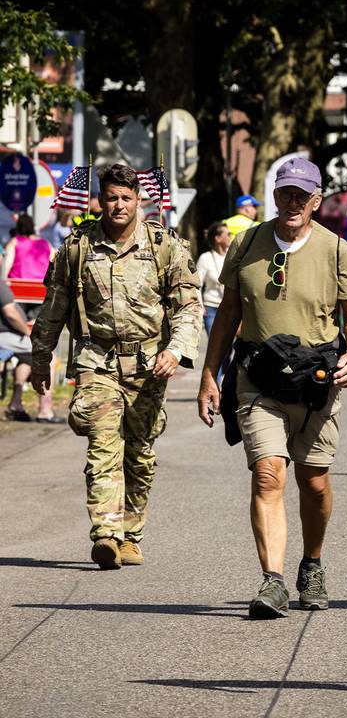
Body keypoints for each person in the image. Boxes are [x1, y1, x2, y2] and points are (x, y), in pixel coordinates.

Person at [196, 156, 347, 619]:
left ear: (316, 200)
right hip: (258, 379)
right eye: (284, 193)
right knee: (268, 472)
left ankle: (311, 564)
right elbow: (228, 315)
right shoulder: (246, 243)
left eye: (302, 196)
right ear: (274, 196)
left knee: (313, 481)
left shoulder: (336, 250)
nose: (292, 203)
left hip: (317, 383)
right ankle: (272, 581)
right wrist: (210, 375)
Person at [28, 163, 202, 569]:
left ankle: (131, 532)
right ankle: (106, 532)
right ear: (100, 200)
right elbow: (54, 308)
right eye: (111, 198)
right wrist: (41, 359)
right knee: (103, 445)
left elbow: (187, 307)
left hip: (148, 366)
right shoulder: (77, 248)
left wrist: (175, 351)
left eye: (126, 198)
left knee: (139, 455)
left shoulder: (165, 246)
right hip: (96, 362)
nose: (118, 205)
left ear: (139, 200)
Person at [1, 278, 62, 423]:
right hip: (6, 336)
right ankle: (45, 411)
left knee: (28, 360)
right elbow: (11, 314)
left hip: (11, 338)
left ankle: (16, 405)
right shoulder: (1, 286)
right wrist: (28, 333)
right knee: (48, 357)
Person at [196, 222, 232, 381]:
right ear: (218, 238)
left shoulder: (232, 255)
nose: (230, 236)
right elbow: (196, 284)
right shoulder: (206, 258)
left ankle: (226, 382)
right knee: (216, 348)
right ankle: (214, 386)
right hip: (211, 309)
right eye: (227, 234)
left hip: (231, 308)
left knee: (227, 348)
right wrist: (200, 304)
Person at [3, 214, 52, 282]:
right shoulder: (46, 243)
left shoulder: (14, 242)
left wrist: (3, 281)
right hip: (41, 285)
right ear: (32, 226)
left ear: (18, 227)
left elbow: (6, 266)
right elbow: (53, 266)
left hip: (18, 285)